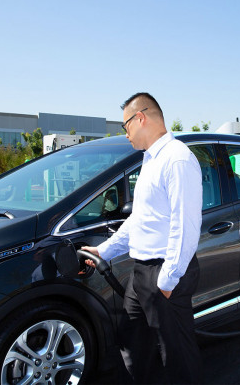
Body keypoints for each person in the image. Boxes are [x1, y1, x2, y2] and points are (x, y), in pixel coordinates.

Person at [81, 92, 203, 384]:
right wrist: (103, 252)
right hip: (142, 273)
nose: (125, 135)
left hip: (164, 272)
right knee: (134, 344)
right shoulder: (150, 161)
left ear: (141, 118)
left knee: (176, 357)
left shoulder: (177, 159)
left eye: (125, 126)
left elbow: (185, 225)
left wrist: (167, 280)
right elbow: (140, 219)